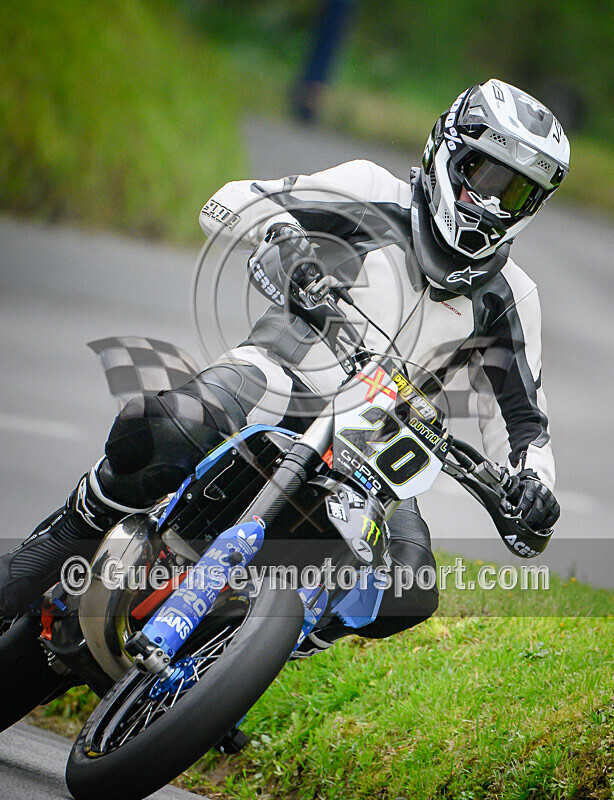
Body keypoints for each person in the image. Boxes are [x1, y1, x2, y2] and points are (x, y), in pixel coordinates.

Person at [0, 79, 566, 653]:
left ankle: (231, 658)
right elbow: (229, 201)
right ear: (447, 150)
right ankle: (72, 534)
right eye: (483, 174)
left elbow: (524, 423)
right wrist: (283, 239)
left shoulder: (514, 296)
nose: (490, 202)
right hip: (275, 379)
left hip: (372, 454)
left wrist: (533, 488)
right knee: (169, 429)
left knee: (407, 586)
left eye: (514, 192)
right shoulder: (371, 189)